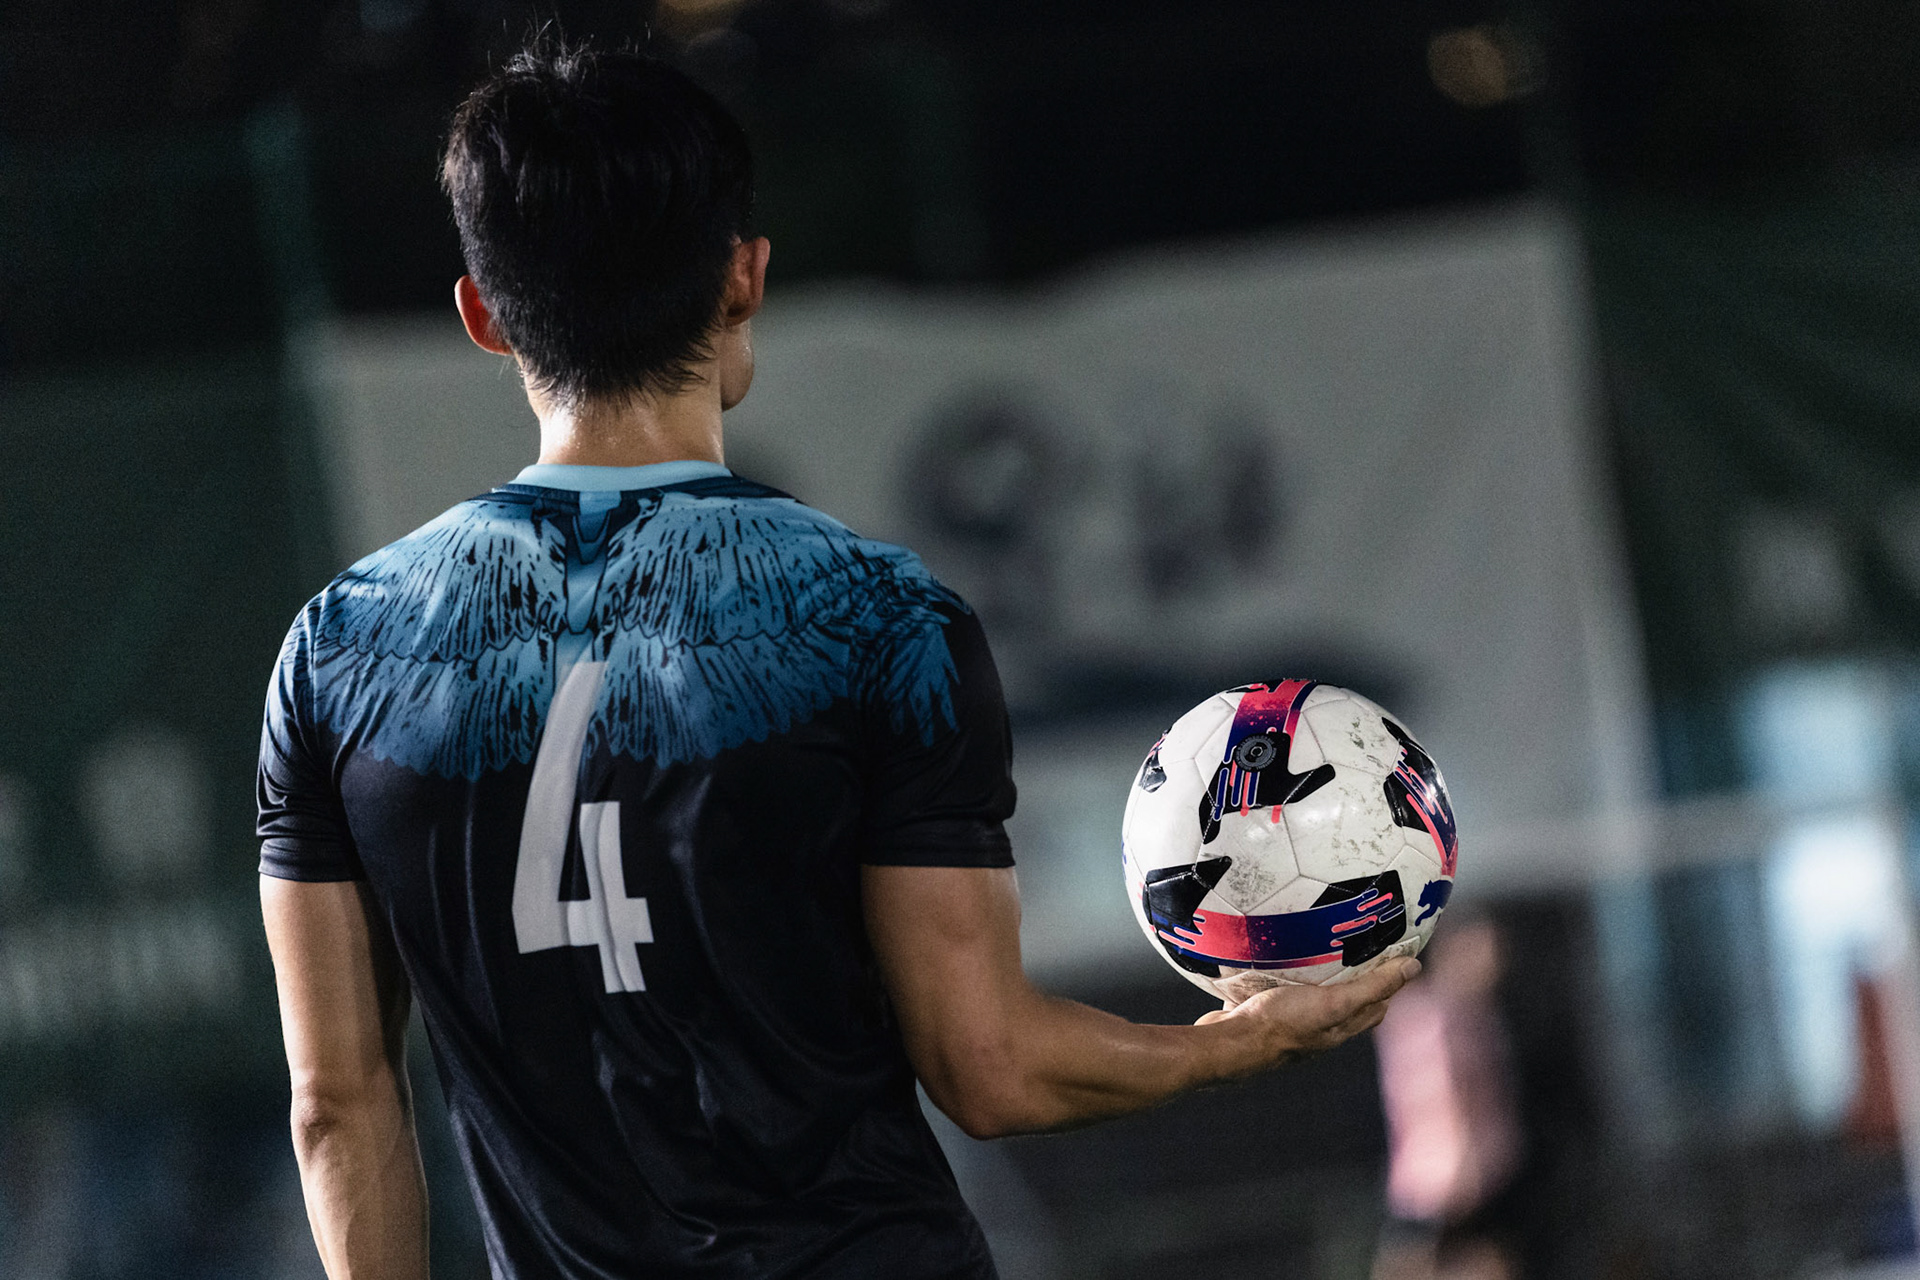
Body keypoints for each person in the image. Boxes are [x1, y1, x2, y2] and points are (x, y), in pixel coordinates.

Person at [256, 37, 1417, 1280]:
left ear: (483, 316)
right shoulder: (875, 617)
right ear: (743, 277)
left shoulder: (338, 650)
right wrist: (1241, 1041)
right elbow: (989, 1066)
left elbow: (336, 1104)